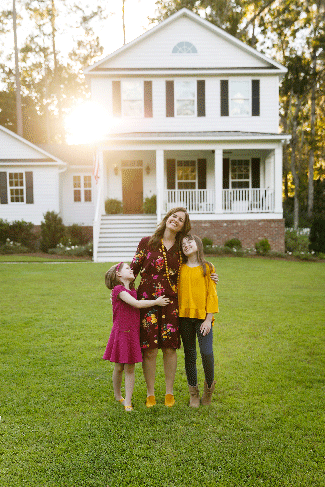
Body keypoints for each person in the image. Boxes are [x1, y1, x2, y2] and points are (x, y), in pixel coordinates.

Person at [131, 207, 218, 408]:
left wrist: (211, 275)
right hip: (148, 301)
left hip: (172, 303)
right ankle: (151, 393)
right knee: (150, 350)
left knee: (170, 349)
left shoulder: (182, 247)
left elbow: (195, 266)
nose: (176, 220)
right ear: (167, 217)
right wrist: (122, 292)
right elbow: (133, 268)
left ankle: (169, 393)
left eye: (180, 220)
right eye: (174, 216)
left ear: (183, 227)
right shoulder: (147, 242)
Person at [103, 262, 169, 411]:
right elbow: (137, 304)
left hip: (132, 334)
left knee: (130, 368)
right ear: (118, 274)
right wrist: (157, 302)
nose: (131, 269)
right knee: (119, 367)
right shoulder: (118, 290)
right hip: (121, 334)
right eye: (127, 268)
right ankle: (117, 394)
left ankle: (128, 401)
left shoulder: (132, 290)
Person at [178, 234, 219, 408]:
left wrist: (208, 319)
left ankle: (208, 390)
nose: (186, 245)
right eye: (183, 244)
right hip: (184, 318)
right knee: (190, 355)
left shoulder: (208, 267)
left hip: (203, 318)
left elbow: (212, 294)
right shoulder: (180, 268)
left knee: (207, 353)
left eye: (190, 242)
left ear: (198, 244)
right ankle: (193, 393)